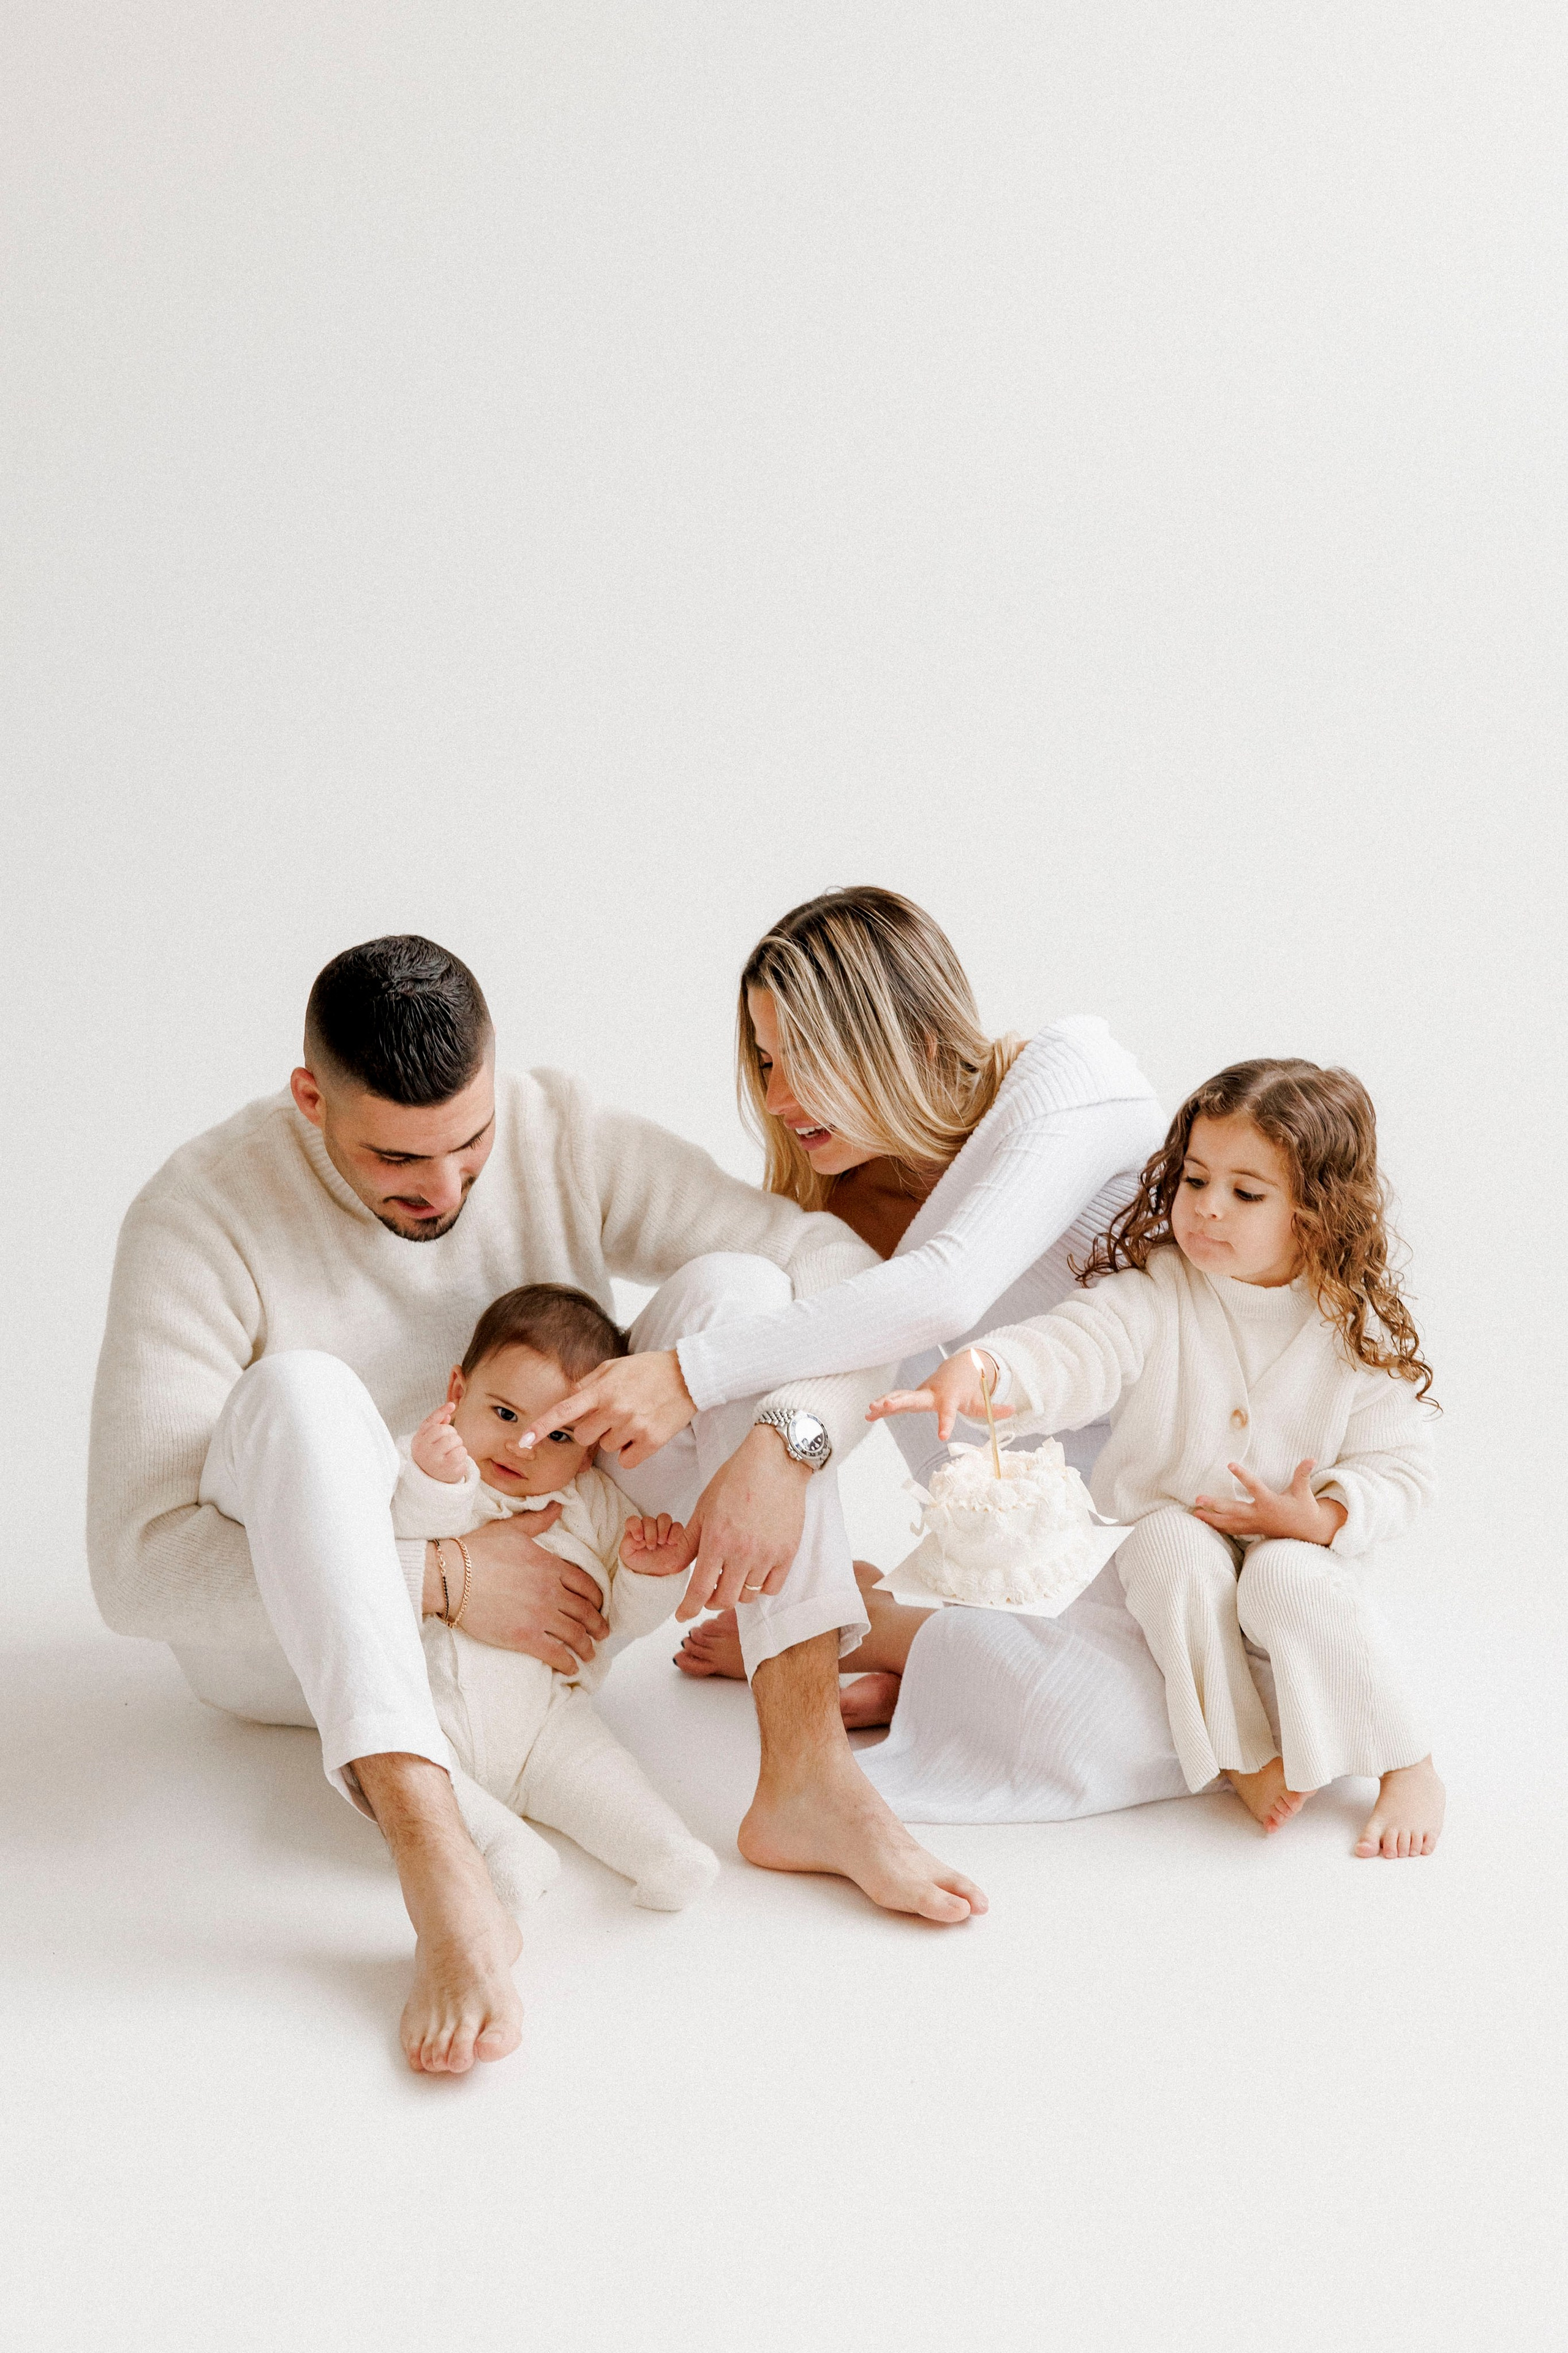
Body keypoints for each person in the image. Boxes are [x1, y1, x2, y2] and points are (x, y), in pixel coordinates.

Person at [88, 934, 980, 2079]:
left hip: (578, 1593)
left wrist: (788, 1447)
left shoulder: (559, 1131)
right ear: (311, 1099)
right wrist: (448, 1578)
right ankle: (436, 1861)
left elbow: (849, 1274)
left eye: (471, 1143)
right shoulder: (197, 1212)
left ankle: (805, 1771)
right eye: (399, 1161)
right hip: (304, 1645)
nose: (446, 1192)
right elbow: (131, 1566)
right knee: (302, 1393)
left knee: (746, 1296)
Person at [520, 886, 1178, 1824]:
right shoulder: (837, 1215)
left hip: (1178, 1482)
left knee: (1184, 1717)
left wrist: (684, 1373)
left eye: (809, 1060)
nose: (780, 1099)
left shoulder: (1070, 1079)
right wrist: (774, 1448)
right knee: (1101, 1720)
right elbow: (829, 1365)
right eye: (765, 1058)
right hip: (1017, 1530)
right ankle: (872, 1634)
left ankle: (890, 1630)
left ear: (913, 1040)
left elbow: (942, 1290)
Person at [869, 1060, 1446, 1859]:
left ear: (1317, 1213)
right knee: (1170, 1546)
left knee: (1289, 1577)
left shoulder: (1355, 1329)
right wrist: (988, 1371)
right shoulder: (1159, 1293)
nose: (1207, 1208)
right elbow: (1077, 1348)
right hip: (1164, 1545)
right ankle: (1240, 1754)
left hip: (1299, 1547)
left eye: (1246, 1193)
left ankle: (1407, 1762)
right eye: (1196, 1178)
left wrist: (1321, 1516)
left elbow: (1403, 1468)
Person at [393, 1281, 718, 1917]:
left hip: (547, 1720)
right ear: (457, 1394)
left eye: (560, 1437)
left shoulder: (592, 1505)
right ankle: (508, 1848)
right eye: (506, 1415)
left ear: (596, 1445)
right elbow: (386, 1548)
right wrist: (431, 1478)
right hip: (434, 1718)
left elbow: (620, 1619)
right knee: (398, 1778)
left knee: (605, 1776)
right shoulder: (430, 1467)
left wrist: (646, 1574)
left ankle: (665, 1851)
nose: (524, 1446)